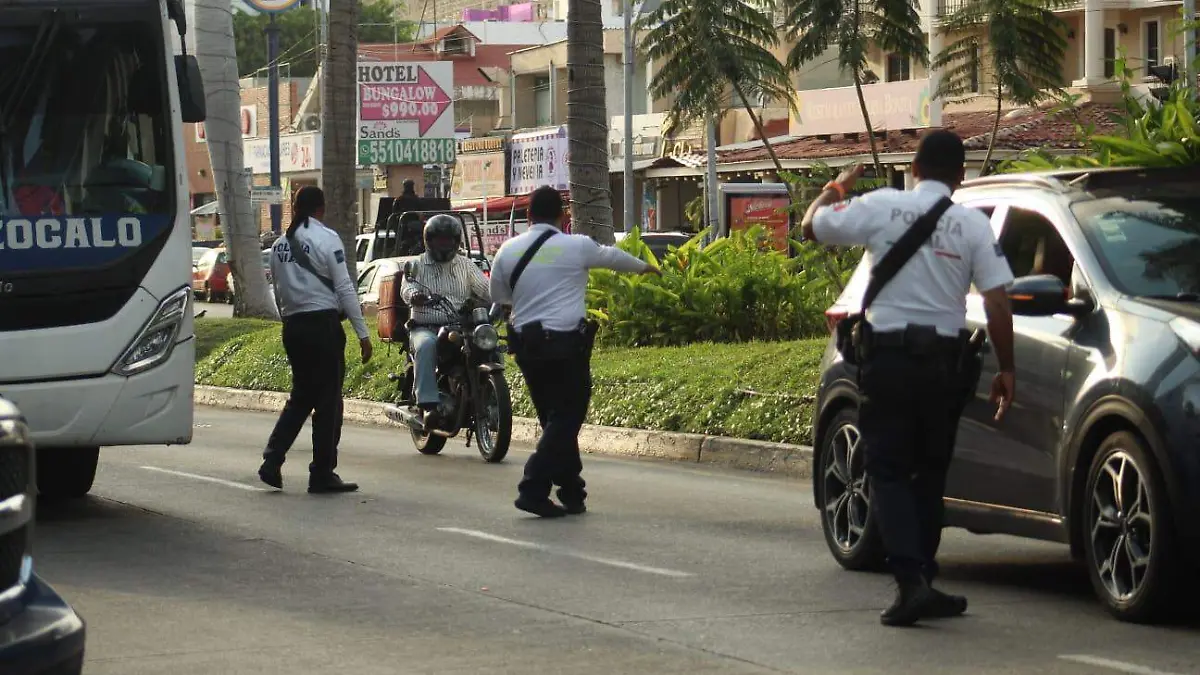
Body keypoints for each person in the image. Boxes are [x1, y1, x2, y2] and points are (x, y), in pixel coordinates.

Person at [800, 130, 1016, 627]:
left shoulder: (881, 205)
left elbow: (812, 227)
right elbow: (998, 302)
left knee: (890, 469)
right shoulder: (971, 226)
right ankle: (924, 578)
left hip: (890, 360)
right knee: (930, 471)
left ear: (914, 169)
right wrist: (1007, 368)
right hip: (944, 363)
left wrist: (835, 188)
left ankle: (911, 584)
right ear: (961, 177)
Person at [489, 186, 661, 518]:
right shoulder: (576, 246)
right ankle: (533, 488)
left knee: (554, 420)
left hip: (527, 345)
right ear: (563, 215)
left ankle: (572, 490)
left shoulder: (507, 251)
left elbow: (501, 296)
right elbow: (612, 256)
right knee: (568, 416)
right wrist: (645, 268)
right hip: (566, 346)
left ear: (528, 216)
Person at [259, 185, 373, 494]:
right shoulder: (327, 238)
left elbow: (278, 292)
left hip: (293, 327)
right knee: (328, 403)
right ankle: (322, 472)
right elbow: (346, 288)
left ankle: (272, 459)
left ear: (295, 208)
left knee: (301, 398)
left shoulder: (280, 245)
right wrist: (363, 334)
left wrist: (290, 323)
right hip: (322, 326)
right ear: (322, 209)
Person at [400, 214, 491, 424]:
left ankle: (489, 395)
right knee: (426, 346)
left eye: (449, 240)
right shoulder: (416, 265)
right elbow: (407, 287)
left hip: (460, 327)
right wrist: (415, 296)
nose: (445, 244)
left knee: (488, 345)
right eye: (440, 240)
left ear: (456, 241)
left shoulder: (466, 265)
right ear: (429, 241)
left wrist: (506, 298)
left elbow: (487, 289)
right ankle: (428, 405)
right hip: (426, 326)